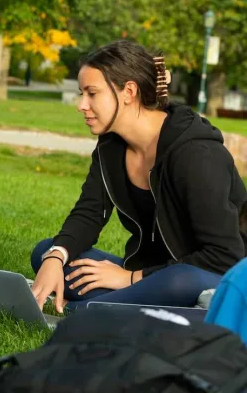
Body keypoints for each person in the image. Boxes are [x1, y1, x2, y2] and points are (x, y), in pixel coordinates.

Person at [31, 40, 247, 313]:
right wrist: (56, 256)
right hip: (148, 275)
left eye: (92, 93)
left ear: (129, 91)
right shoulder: (111, 145)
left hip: (208, 278)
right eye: (81, 93)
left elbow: (226, 257)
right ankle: (119, 304)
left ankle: (86, 309)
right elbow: (89, 213)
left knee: (178, 281)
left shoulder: (196, 154)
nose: (81, 105)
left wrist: (130, 278)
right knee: (45, 251)